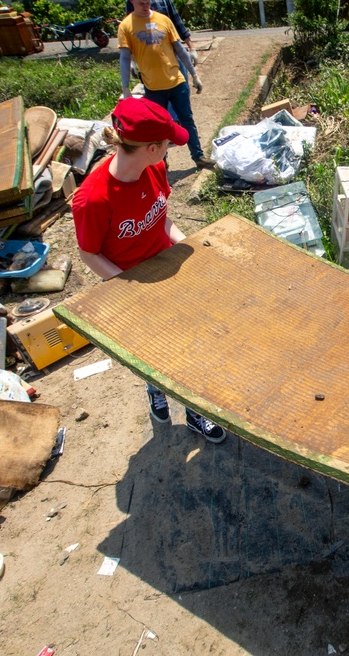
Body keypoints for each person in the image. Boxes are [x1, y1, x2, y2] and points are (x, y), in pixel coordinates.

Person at [71, 96, 227, 444]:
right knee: (155, 353)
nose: (172, 146)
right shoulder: (93, 198)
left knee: (190, 347)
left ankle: (194, 413)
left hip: (168, 270)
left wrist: (190, 247)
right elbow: (89, 253)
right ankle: (155, 389)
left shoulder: (153, 168)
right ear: (153, 148)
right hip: (130, 284)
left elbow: (162, 218)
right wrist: (129, 287)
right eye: (169, 142)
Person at [118, 0, 214, 171]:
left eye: (148, 2)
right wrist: (125, 88)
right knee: (158, 129)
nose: (146, 6)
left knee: (187, 120)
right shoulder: (126, 26)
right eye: (141, 3)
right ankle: (161, 164)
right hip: (153, 88)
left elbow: (179, 49)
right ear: (132, 1)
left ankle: (199, 157)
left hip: (177, 82)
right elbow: (124, 57)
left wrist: (194, 75)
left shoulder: (163, 20)